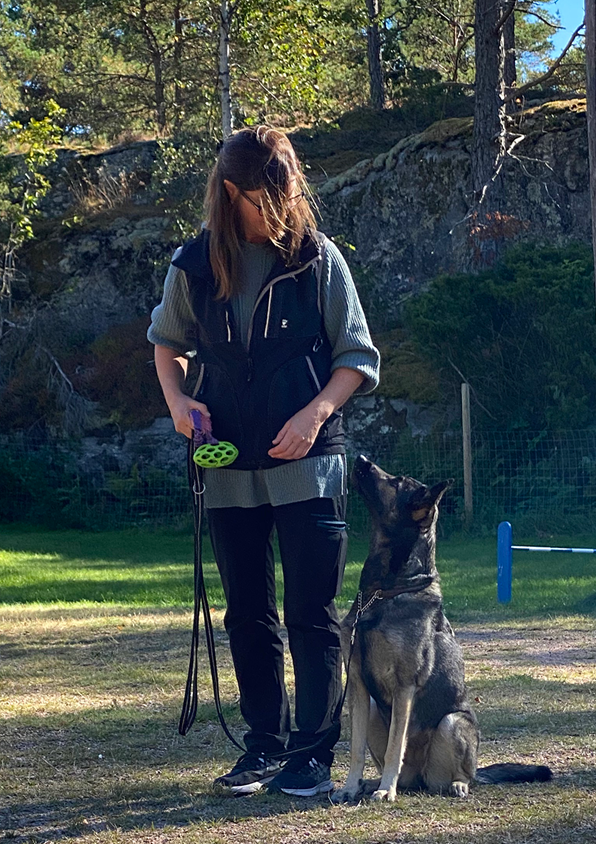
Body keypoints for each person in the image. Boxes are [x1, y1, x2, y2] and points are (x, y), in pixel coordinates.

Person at [148, 126, 379, 797]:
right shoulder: (193, 265)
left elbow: (356, 358)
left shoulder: (319, 260)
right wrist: (177, 404)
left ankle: (312, 755)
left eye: (285, 191)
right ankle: (263, 747)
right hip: (227, 472)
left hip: (311, 466)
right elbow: (167, 343)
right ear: (229, 194)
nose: (278, 207)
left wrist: (316, 414)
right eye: (261, 196)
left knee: (312, 614)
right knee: (248, 615)